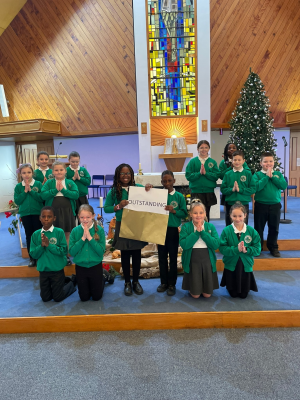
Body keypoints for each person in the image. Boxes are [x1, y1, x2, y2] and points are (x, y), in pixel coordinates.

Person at [104, 163, 152, 296]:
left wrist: (149, 188)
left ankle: (136, 281)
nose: (125, 176)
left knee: (136, 253)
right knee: (125, 254)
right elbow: (107, 208)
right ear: (118, 176)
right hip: (122, 223)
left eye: (128, 173)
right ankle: (127, 282)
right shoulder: (114, 191)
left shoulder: (138, 188)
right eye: (122, 174)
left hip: (136, 224)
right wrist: (119, 206)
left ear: (132, 175)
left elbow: (150, 195)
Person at [30, 206, 76, 302]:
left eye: (49, 216)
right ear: (40, 218)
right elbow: (33, 254)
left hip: (57, 270)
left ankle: (71, 283)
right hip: (43, 271)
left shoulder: (59, 232)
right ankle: (60, 284)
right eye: (43, 216)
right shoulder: (35, 234)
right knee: (45, 298)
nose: (46, 219)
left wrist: (49, 245)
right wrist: (42, 246)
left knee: (57, 298)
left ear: (54, 218)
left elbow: (63, 251)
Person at [219, 203, 261, 298]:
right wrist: (235, 249)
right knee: (233, 294)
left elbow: (257, 249)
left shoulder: (251, 231)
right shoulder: (226, 231)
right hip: (231, 265)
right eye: (234, 216)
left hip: (245, 265)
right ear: (230, 216)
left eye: (240, 216)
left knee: (243, 295)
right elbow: (222, 248)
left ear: (245, 215)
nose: (237, 219)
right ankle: (230, 286)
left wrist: (247, 249)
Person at [41, 161, 79, 265]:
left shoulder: (70, 182)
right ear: (53, 172)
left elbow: (76, 195)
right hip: (53, 213)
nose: (59, 172)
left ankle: (65, 255)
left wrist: (63, 190)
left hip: (67, 211)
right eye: (56, 170)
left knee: (67, 233)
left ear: (65, 171)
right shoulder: (49, 183)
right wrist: (54, 190)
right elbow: (43, 195)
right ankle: (52, 254)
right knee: (53, 233)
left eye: (61, 170)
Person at [69, 204, 110, 301]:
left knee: (97, 297)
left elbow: (101, 252)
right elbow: (72, 252)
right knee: (84, 298)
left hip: (95, 265)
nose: (85, 220)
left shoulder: (99, 230)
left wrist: (90, 238)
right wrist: (83, 238)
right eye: (82, 217)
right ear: (78, 217)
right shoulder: (75, 231)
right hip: (81, 267)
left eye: (88, 217)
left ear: (93, 216)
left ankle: (104, 277)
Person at [180, 200, 219, 298]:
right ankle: (192, 287)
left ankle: (205, 287)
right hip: (193, 260)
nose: (198, 215)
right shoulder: (186, 227)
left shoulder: (210, 226)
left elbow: (215, 245)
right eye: (195, 213)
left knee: (207, 295)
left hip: (207, 259)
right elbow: (184, 245)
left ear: (205, 213)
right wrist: (196, 233)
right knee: (195, 295)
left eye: (201, 213)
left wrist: (203, 233)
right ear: (190, 214)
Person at [157, 170, 187, 296]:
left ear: (174, 181)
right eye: (164, 181)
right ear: (161, 182)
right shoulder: (158, 195)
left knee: (173, 258)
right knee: (162, 257)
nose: (167, 183)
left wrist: (174, 211)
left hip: (173, 230)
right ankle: (163, 282)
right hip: (160, 230)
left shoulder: (179, 197)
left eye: (169, 180)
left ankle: (172, 284)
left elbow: (184, 213)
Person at [252, 152, 287, 257]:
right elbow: (256, 187)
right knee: (259, 228)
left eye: (270, 161)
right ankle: (258, 247)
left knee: (274, 228)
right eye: (265, 161)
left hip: (275, 206)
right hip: (260, 205)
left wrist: (273, 177)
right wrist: (266, 177)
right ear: (261, 163)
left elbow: (283, 185)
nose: (268, 163)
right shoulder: (257, 175)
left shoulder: (278, 174)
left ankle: (273, 247)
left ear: (274, 162)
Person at [14, 163, 43, 267]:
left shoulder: (38, 184)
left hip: (37, 213)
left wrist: (31, 191)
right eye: (24, 173)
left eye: (29, 172)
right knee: (29, 235)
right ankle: (32, 258)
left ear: (32, 173)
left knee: (38, 235)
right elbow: (17, 201)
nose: (27, 175)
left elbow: (41, 198)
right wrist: (25, 192)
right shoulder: (18, 186)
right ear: (20, 174)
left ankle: (39, 256)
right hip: (25, 214)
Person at [185, 140, 219, 221]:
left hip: (208, 191)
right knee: (196, 212)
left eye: (206, 147)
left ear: (209, 149)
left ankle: (206, 229)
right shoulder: (193, 162)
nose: (204, 149)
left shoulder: (212, 162)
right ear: (198, 149)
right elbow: (188, 176)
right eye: (201, 148)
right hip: (196, 191)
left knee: (206, 212)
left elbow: (216, 176)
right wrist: (199, 173)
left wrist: (206, 173)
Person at [221, 150, 256, 226]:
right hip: (230, 203)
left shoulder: (248, 174)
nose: (237, 162)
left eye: (239, 160)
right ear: (232, 161)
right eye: (235, 160)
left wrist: (241, 190)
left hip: (243, 203)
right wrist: (232, 190)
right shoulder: (227, 174)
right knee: (229, 225)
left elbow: (253, 189)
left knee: (243, 225)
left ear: (243, 161)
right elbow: (223, 189)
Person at [66, 151, 91, 217]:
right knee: (72, 215)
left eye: (77, 162)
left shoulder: (83, 170)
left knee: (84, 214)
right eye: (72, 162)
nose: (75, 163)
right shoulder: (66, 170)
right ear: (69, 160)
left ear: (79, 160)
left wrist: (79, 178)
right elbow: (65, 183)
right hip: (71, 197)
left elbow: (88, 181)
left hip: (82, 196)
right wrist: (73, 178)